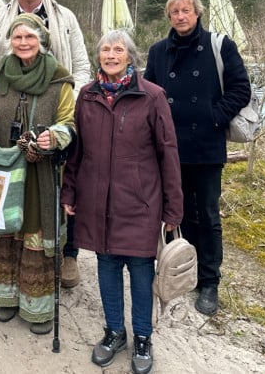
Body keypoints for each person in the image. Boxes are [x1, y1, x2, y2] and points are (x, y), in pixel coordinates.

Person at [62, 30, 183, 374]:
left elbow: (169, 154)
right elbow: (77, 151)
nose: (111, 55)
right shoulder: (87, 95)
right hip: (97, 201)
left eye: (118, 50)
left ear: (131, 56)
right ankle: (114, 331)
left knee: (141, 272)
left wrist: (173, 208)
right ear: (98, 55)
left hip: (141, 202)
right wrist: (69, 191)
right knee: (107, 267)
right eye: (105, 49)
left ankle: (143, 337)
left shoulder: (152, 96)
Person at [0, 0, 91, 289]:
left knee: (57, 188)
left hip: (53, 115)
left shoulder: (65, 18)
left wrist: (67, 98)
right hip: (7, 117)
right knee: (9, 189)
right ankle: (5, 263)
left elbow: (81, 65)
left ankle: (67, 254)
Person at [144, 0, 251, 317]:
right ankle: (181, 272)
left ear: (197, 13)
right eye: (174, 11)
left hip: (205, 146)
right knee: (174, 213)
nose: (180, 16)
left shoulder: (220, 46)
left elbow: (241, 89)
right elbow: (148, 94)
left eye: (186, 10)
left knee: (206, 215)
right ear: (169, 16)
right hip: (169, 147)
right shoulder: (158, 52)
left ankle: (209, 281)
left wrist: (214, 117)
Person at [0, 13, 76, 335]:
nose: (23, 43)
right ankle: (5, 296)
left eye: (29, 37)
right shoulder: (1, 71)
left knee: (34, 228)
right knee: (4, 227)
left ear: (41, 41)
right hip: (2, 168)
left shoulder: (59, 78)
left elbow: (69, 122)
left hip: (39, 172)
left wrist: (54, 137)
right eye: (17, 38)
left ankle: (37, 306)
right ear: (10, 42)